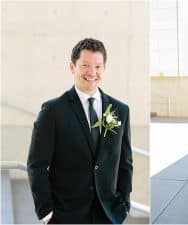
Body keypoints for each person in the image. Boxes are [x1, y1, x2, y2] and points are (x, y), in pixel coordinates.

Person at [27, 38, 133, 224]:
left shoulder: (120, 111)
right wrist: (46, 212)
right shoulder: (52, 111)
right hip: (65, 216)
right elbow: (37, 164)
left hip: (109, 215)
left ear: (104, 68)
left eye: (98, 66)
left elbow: (125, 163)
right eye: (85, 65)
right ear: (72, 67)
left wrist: (124, 204)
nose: (92, 72)